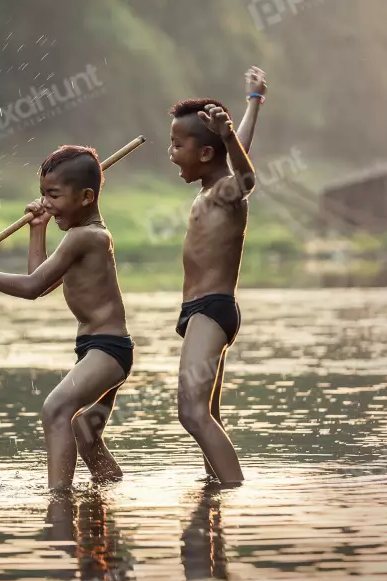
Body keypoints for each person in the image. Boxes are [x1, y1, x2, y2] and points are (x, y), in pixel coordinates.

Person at [0, 145, 133, 490]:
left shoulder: (85, 237)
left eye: (54, 195)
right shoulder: (82, 236)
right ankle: (109, 497)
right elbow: (42, 282)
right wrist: (38, 228)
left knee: (56, 409)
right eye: (43, 194)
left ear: (86, 197)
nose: (45, 203)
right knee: (84, 433)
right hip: (96, 348)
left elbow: (30, 287)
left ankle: (59, 500)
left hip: (108, 349)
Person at [167, 66, 266, 485]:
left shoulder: (227, 190)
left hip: (212, 310)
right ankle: (215, 502)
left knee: (191, 411)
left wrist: (226, 134)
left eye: (177, 145)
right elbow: (234, 150)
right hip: (201, 311)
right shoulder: (211, 185)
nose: (171, 152)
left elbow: (245, 175)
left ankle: (232, 494)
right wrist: (253, 102)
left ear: (204, 154)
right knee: (209, 414)